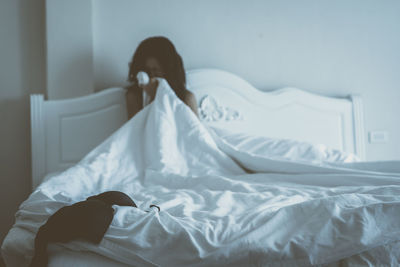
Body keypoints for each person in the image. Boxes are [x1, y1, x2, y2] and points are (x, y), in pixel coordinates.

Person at [126, 36, 198, 118]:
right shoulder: (134, 97)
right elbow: (138, 129)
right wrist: (152, 98)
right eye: (148, 71)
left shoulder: (187, 98)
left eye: (156, 71)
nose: (152, 77)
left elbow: (194, 129)